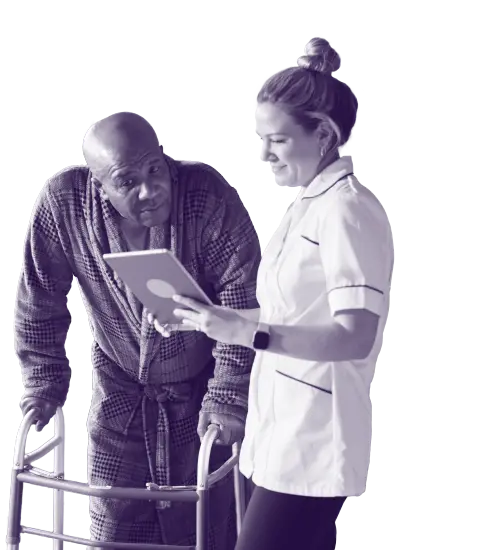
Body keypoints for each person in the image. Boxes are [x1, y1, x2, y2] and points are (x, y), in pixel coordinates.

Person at [154, 36, 394, 549]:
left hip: (314, 439)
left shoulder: (348, 211)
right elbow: (293, 312)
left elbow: (355, 335)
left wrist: (246, 331)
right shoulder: (307, 207)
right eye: (260, 138)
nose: (264, 155)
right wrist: (206, 316)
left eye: (278, 140)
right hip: (279, 429)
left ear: (324, 135)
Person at [14, 112, 262, 549]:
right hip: (120, 383)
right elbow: (41, 298)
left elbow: (244, 300)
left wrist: (227, 397)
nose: (150, 189)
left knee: (205, 517)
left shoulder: (207, 198)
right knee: (112, 517)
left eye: (155, 169)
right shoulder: (65, 205)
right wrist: (43, 383)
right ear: (99, 185)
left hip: (204, 386)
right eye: (127, 182)